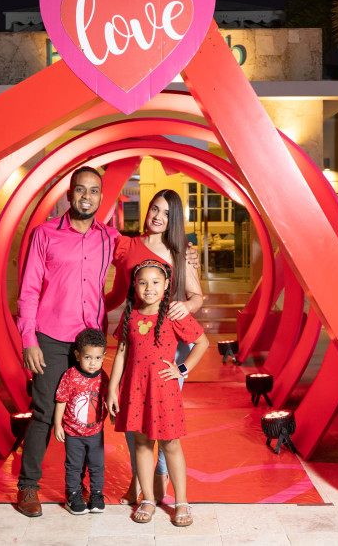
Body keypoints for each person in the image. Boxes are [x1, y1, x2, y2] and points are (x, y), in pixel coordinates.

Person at [15, 166, 115, 517]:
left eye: (93, 190)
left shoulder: (109, 237)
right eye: (80, 190)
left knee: (87, 416)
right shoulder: (45, 234)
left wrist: (186, 258)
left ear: (101, 197)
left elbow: (145, 257)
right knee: (44, 413)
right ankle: (28, 487)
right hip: (51, 338)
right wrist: (29, 339)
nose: (86, 196)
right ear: (69, 194)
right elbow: (28, 290)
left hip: (91, 343)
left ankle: (80, 486)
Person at [105, 189, 204, 505]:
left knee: (160, 419)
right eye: (154, 209)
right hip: (136, 334)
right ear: (146, 211)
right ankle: (143, 484)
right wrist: (89, 310)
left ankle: (158, 487)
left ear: (174, 219)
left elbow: (197, 296)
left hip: (168, 345)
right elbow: (121, 293)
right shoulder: (128, 246)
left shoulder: (180, 253)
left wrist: (185, 307)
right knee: (138, 417)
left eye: (165, 212)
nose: (158, 216)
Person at [107, 260, 210, 527]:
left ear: (166, 286)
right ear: (134, 286)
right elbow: (121, 353)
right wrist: (112, 389)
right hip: (134, 388)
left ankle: (182, 502)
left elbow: (202, 342)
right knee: (141, 445)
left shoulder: (175, 315)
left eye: (155, 282)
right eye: (143, 282)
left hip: (163, 389)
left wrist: (182, 369)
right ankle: (148, 499)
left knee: (171, 445)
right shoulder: (130, 316)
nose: (148, 288)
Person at [53, 328, 109, 515]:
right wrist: (58, 424)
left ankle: (96, 495)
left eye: (98, 358)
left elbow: (108, 400)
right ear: (77, 355)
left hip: (95, 432)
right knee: (74, 465)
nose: (93, 363)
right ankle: (74, 495)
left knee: (97, 465)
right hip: (73, 433)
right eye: (87, 357)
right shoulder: (70, 375)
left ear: (103, 356)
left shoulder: (104, 377)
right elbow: (61, 400)